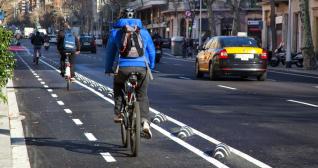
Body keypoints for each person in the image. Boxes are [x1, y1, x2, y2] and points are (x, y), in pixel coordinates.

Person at [105, 8, 156, 139]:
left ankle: (118, 113)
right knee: (142, 95)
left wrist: (108, 69)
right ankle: (144, 122)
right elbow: (151, 52)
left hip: (122, 68)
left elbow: (110, 53)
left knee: (118, 85)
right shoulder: (144, 32)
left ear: (121, 18)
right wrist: (151, 66)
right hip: (141, 69)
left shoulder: (115, 32)